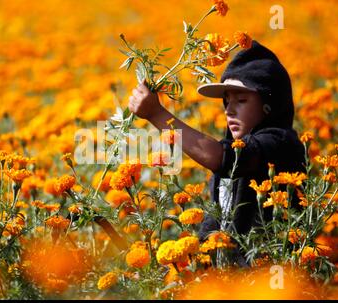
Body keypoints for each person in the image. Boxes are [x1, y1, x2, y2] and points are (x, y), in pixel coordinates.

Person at [128, 40, 305, 264]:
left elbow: (222, 158)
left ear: (269, 106)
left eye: (241, 100)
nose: (229, 109)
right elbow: (216, 221)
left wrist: (158, 115)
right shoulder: (231, 156)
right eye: (226, 101)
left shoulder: (280, 143)